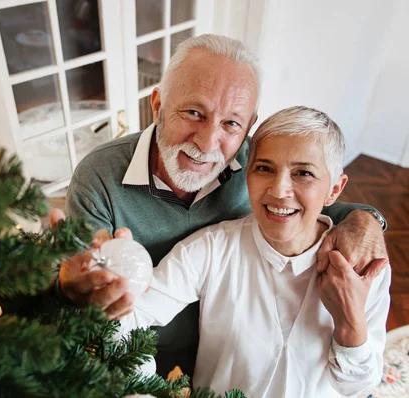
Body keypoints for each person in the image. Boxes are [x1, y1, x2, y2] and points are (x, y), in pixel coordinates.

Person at [57, 34, 388, 377]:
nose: (207, 141)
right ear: (157, 105)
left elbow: (308, 202)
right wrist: (65, 287)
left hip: (224, 344)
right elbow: (89, 292)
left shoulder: (257, 165)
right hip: (143, 348)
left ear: (247, 128)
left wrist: (366, 219)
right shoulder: (98, 177)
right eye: (194, 112)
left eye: (231, 123)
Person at [117, 106, 391, 397]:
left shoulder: (364, 267)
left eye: (303, 173)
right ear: (247, 174)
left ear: (334, 189)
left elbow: (358, 385)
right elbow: (128, 315)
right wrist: (144, 389)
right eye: (264, 168)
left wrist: (350, 326)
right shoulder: (211, 249)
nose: (279, 189)